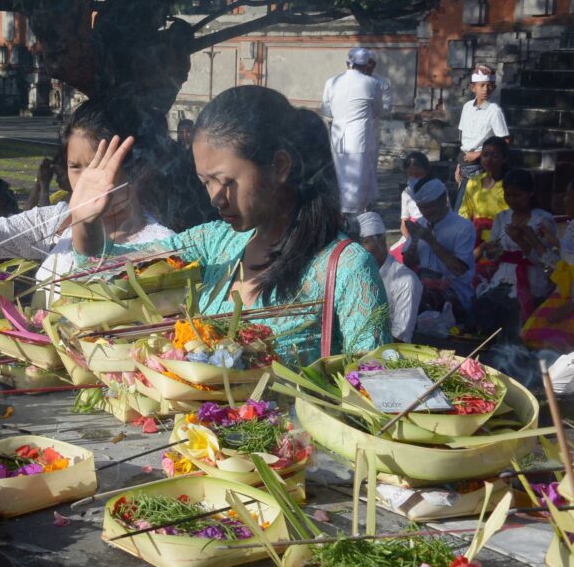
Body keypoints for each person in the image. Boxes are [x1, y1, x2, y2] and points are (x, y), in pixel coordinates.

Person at [69, 86, 391, 367]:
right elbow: (108, 268)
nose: (215, 198)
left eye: (225, 182)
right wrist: (86, 222)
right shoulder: (215, 244)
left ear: (279, 167)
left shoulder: (346, 269)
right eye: (204, 182)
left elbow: (375, 389)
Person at [0, 98, 178, 286]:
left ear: (139, 169)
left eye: (96, 167)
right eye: (74, 167)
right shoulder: (57, 221)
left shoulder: (164, 248)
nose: (83, 182)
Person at [479, 169, 556, 320]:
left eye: (517, 195)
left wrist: (521, 241)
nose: (512, 200)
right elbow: (492, 256)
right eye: (508, 195)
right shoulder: (502, 217)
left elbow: (546, 260)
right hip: (502, 277)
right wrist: (492, 250)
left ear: (530, 192)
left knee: (513, 312)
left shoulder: (543, 219)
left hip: (532, 279)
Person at [321, 47, 387, 215]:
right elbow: (379, 111)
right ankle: (355, 214)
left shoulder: (331, 82)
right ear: (366, 65)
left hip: (338, 134)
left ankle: (339, 209)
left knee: (340, 173)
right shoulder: (372, 83)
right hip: (360, 134)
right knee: (359, 176)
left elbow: (326, 111)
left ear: (347, 63)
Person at [402, 177, 476, 314]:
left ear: (443, 201)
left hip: (454, 294)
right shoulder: (420, 223)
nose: (426, 212)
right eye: (422, 207)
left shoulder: (463, 227)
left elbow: (459, 269)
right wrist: (414, 240)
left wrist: (431, 241)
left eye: (430, 206)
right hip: (424, 289)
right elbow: (407, 262)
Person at [523, 179, 574, 352]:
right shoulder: (571, 226)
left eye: (569, 195)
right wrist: (533, 240)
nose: (564, 199)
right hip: (563, 293)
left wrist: (570, 305)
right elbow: (560, 265)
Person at [357, 212, 421, 343]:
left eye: (364, 242)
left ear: (381, 240)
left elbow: (400, 336)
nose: (359, 250)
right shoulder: (355, 276)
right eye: (356, 244)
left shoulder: (405, 281)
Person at [455, 65, 508, 198]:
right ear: (473, 88)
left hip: (481, 165)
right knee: (462, 207)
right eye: (482, 85)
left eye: (489, 85)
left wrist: (479, 154)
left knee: (477, 204)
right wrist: (459, 165)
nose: (486, 89)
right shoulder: (467, 107)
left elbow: (505, 141)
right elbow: (463, 140)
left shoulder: (494, 111)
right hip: (465, 162)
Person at [459, 136, 509, 256]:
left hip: (501, 242)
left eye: (494, 156)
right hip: (474, 239)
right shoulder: (473, 182)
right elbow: (464, 213)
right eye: (485, 155)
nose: (488, 160)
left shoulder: (509, 184)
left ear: (504, 159)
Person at [390, 151, 431, 262]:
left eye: (418, 175)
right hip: (412, 235)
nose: (414, 179)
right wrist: (411, 242)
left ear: (427, 172)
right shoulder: (406, 193)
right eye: (410, 175)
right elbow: (404, 224)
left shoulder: (436, 190)